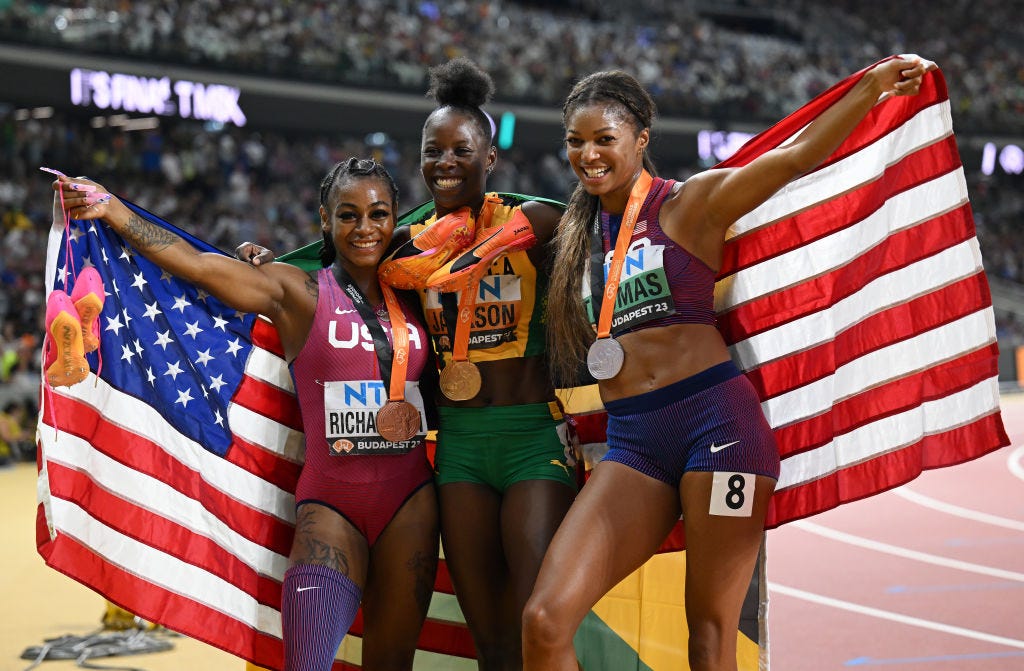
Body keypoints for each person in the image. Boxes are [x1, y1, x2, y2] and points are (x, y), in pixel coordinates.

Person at [521, 57, 929, 671]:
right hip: (635, 441)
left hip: (718, 430)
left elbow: (793, 160)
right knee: (544, 620)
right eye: (575, 142)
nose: (588, 154)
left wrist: (869, 88)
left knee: (711, 637)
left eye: (605, 139)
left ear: (641, 140)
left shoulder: (693, 204)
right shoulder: (579, 235)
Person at [242, 58, 575, 671]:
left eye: (461, 149)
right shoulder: (406, 240)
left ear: (490, 156)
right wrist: (264, 261)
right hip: (458, 450)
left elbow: (595, 230)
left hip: (531, 436)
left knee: (540, 619)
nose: (445, 162)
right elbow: (336, 258)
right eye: (432, 151)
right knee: (492, 640)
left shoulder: (537, 218)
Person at [51, 158, 440, 671]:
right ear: (325, 219)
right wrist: (115, 211)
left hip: (410, 504)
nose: (364, 228)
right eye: (348, 215)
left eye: (378, 214)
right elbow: (200, 267)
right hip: (331, 509)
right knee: (305, 663)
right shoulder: (295, 291)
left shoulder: (422, 293)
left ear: (395, 220)